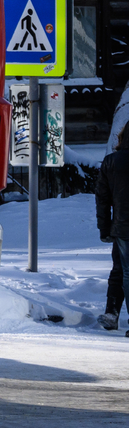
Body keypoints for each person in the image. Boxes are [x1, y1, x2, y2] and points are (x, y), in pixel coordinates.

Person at [97, 123, 129, 331]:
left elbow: (102, 199)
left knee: (122, 271)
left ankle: (112, 313)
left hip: (123, 227)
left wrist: (105, 229)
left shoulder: (111, 162)